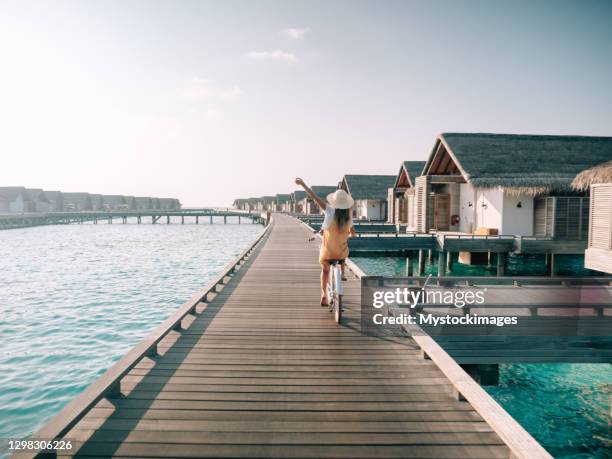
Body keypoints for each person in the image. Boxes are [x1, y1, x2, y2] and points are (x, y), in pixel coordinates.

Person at [295, 178, 356, 306]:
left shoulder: (329, 210)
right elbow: (353, 232)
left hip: (328, 252)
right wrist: (350, 234)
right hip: (340, 252)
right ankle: (343, 272)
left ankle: (323, 293)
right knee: (344, 249)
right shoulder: (348, 215)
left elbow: (315, 197)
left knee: (325, 270)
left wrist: (303, 184)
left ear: (335, 201)